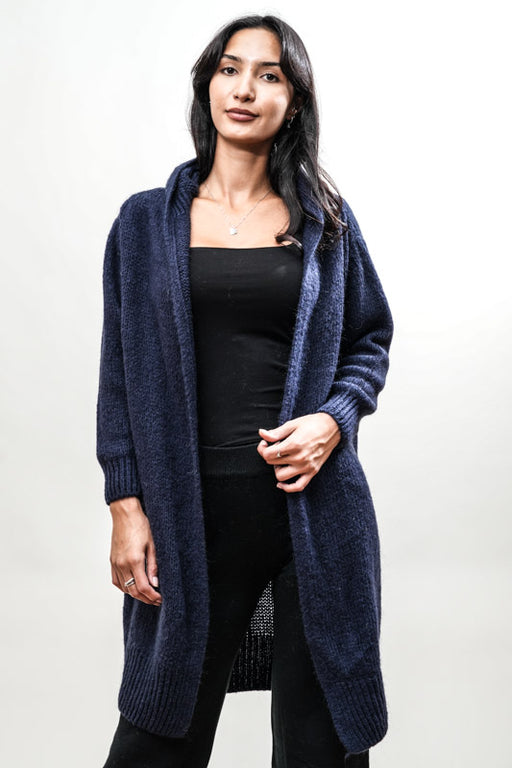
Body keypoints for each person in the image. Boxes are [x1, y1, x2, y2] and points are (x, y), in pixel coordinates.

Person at [96, 14, 393, 768]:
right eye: (230, 69)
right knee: (154, 741)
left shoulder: (325, 222)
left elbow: (369, 340)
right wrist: (125, 504)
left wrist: (333, 420)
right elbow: (118, 373)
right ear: (208, 85)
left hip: (313, 513)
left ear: (293, 102)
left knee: (319, 747)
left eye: (269, 75)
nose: (245, 89)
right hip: (189, 515)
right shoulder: (143, 224)